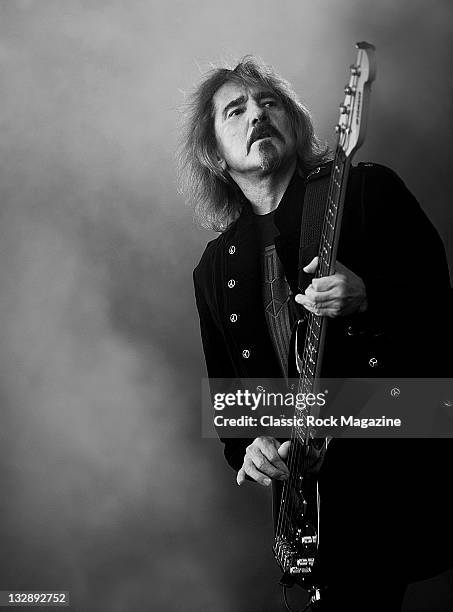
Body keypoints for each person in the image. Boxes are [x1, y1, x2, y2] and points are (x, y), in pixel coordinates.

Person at [179, 56, 453, 611]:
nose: (257, 115)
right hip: (306, 506)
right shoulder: (214, 268)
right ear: (213, 152)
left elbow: (443, 318)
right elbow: (232, 400)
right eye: (236, 110)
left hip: (389, 473)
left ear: (296, 123)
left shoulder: (368, 193)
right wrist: (246, 448)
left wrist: (371, 298)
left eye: (270, 104)